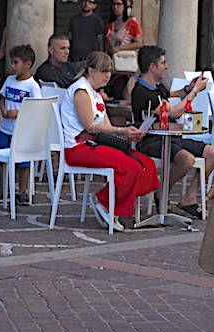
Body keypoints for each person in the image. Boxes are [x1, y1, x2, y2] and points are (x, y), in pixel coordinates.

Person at [61, 51, 158, 232]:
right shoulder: (81, 91)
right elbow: (90, 126)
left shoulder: (96, 94)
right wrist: (122, 131)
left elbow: (106, 126)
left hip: (96, 144)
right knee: (131, 166)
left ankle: (110, 202)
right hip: (78, 147)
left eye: (110, 71)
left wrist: (128, 134)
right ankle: (106, 203)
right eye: (103, 71)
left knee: (146, 163)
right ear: (90, 70)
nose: (108, 76)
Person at [131, 46, 214, 218]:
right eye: (163, 63)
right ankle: (162, 193)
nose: (167, 66)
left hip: (172, 137)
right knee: (187, 159)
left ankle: (189, 197)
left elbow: (170, 95)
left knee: (213, 153)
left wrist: (187, 89)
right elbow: (173, 112)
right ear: (152, 67)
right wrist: (195, 92)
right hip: (150, 140)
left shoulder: (156, 86)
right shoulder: (142, 91)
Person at [0, 45, 42, 195]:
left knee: (23, 162)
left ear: (27, 64)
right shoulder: (9, 80)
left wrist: (18, 112)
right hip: (6, 128)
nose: (12, 65)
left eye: (16, 62)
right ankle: (4, 190)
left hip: (23, 131)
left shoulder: (32, 86)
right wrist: (3, 110)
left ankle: (22, 191)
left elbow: (36, 108)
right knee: (3, 159)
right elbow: (2, 98)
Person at [105, 0, 143, 99]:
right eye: (114, 4)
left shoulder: (132, 23)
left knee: (127, 91)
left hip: (128, 65)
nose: (116, 7)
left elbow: (139, 43)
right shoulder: (110, 24)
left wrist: (120, 48)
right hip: (112, 64)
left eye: (119, 4)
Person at [68, 0, 105, 66]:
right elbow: (70, 39)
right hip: (74, 60)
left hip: (90, 61)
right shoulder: (74, 20)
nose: (86, 3)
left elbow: (100, 42)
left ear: (94, 5)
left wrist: (101, 60)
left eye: (90, 2)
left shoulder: (97, 21)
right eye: (84, 0)